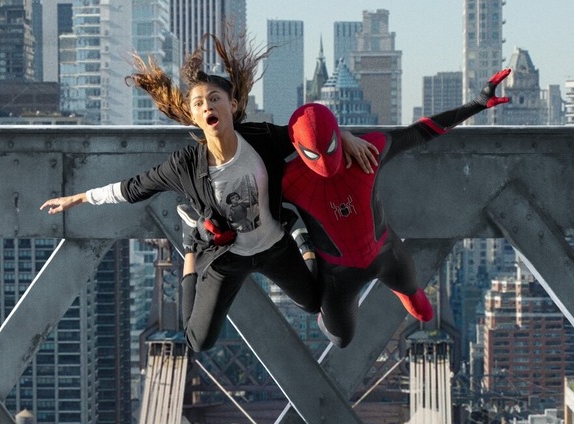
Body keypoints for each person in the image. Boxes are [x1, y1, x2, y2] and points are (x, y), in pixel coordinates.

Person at [39, 33, 374, 352]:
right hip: (225, 256)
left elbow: (309, 133)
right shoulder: (185, 164)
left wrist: (344, 136)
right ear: (194, 115)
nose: (207, 106)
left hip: (275, 246)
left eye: (215, 99)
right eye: (199, 103)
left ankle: (302, 239)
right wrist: (82, 197)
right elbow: (135, 188)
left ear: (233, 104)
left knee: (315, 302)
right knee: (199, 341)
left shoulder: (260, 137)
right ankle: (189, 249)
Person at [281, 69, 511, 348]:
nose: (324, 161)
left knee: (422, 310)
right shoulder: (290, 179)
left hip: (385, 252)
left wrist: (475, 104)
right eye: (313, 154)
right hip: (338, 272)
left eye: (329, 147)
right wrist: (340, 134)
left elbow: (420, 132)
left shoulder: (369, 151)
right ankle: (312, 257)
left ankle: (403, 291)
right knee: (341, 338)